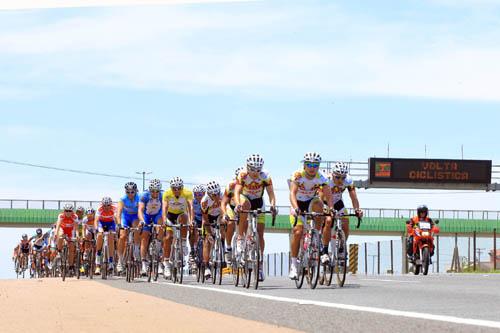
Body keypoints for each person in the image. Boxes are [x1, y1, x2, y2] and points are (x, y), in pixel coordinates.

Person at [288, 152, 334, 280]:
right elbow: (292, 193)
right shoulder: (298, 175)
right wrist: (296, 208)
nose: (312, 167)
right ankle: (293, 264)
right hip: (297, 203)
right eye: (309, 164)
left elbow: (328, 195)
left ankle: (316, 236)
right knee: (297, 232)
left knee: (319, 204)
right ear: (304, 165)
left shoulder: (321, 177)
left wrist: (331, 208)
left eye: (315, 165)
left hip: (311, 201)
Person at [234, 154, 277, 282]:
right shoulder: (243, 175)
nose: (255, 172)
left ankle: (259, 266)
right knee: (244, 205)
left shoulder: (265, 176)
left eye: (258, 170)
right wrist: (237, 204)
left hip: (259, 201)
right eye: (252, 169)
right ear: (247, 167)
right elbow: (237, 191)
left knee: (260, 233)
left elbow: (271, 194)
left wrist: (273, 205)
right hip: (245, 198)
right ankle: (241, 238)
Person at [322, 161, 363, 262]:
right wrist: (327, 209)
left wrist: (357, 210)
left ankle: (341, 247)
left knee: (345, 221)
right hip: (325, 201)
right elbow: (321, 196)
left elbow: (354, 197)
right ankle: (325, 251)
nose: (340, 180)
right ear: (332, 175)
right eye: (337, 177)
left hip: (338, 202)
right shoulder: (326, 180)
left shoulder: (348, 181)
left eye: (343, 177)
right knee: (328, 220)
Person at [162, 177, 192, 279]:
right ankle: (166, 263)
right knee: (168, 237)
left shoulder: (187, 193)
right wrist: (164, 220)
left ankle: (183, 242)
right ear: (171, 188)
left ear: (182, 188)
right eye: (174, 188)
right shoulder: (167, 194)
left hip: (181, 215)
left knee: (185, 217)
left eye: (179, 188)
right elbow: (164, 208)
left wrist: (191, 221)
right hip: (170, 216)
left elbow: (190, 207)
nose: (177, 191)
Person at [138, 179, 164, 276]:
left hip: (157, 215)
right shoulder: (144, 196)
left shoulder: (162, 196)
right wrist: (142, 221)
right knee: (144, 237)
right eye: (152, 191)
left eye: (157, 191)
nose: (155, 193)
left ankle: (158, 246)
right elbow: (140, 210)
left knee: (161, 224)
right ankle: (143, 264)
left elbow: (165, 210)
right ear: (149, 190)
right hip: (146, 215)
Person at [220, 167, 244, 264]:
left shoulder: (249, 185)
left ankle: (245, 248)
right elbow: (223, 203)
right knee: (230, 224)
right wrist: (224, 214)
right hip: (231, 207)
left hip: (243, 209)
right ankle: (228, 247)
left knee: (246, 225)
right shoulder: (231, 185)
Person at [116, 182, 140, 274]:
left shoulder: (139, 198)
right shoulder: (123, 199)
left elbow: (141, 211)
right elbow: (118, 212)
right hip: (125, 217)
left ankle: (136, 250)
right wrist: (118, 224)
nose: (130, 194)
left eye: (132, 192)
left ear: (135, 191)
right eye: (128, 192)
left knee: (136, 228)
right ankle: (120, 260)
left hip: (135, 217)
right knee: (122, 236)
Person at [201, 181, 223, 279]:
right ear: (209, 194)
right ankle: (206, 266)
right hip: (208, 218)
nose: (217, 195)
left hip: (219, 215)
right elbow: (205, 219)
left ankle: (223, 245)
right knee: (207, 240)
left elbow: (226, 210)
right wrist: (209, 233)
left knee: (223, 223)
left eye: (218, 193)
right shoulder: (204, 201)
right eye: (214, 194)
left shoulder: (223, 196)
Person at [94, 197, 117, 275]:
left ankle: (111, 262)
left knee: (111, 237)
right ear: (102, 205)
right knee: (100, 235)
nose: (106, 207)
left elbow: (117, 219)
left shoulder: (114, 208)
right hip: (101, 223)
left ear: (111, 205)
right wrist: (96, 229)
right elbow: (96, 220)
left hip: (111, 224)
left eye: (108, 206)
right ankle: (97, 264)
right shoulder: (99, 209)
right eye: (104, 206)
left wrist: (118, 227)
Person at [55, 203, 79, 271]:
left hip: (70, 231)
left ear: (72, 211)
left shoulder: (75, 216)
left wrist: (77, 235)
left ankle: (71, 266)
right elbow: (58, 225)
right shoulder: (61, 215)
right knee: (60, 236)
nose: (68, 212)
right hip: (62, 229)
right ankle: (59, 251)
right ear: (64, 211)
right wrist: (56, 234)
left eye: (70, 211)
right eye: (66, 211)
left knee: (72, 247)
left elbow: (76, 228)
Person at [189, 184, 205, 266]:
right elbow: (190, 211)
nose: (198, 196)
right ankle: (192, 249)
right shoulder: (193, 202)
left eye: (200, 194)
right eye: (195, 194)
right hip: (195, 220)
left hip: (204, 220)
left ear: (204, 194)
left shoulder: (206, 201)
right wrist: (191, 221)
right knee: (192, 230)